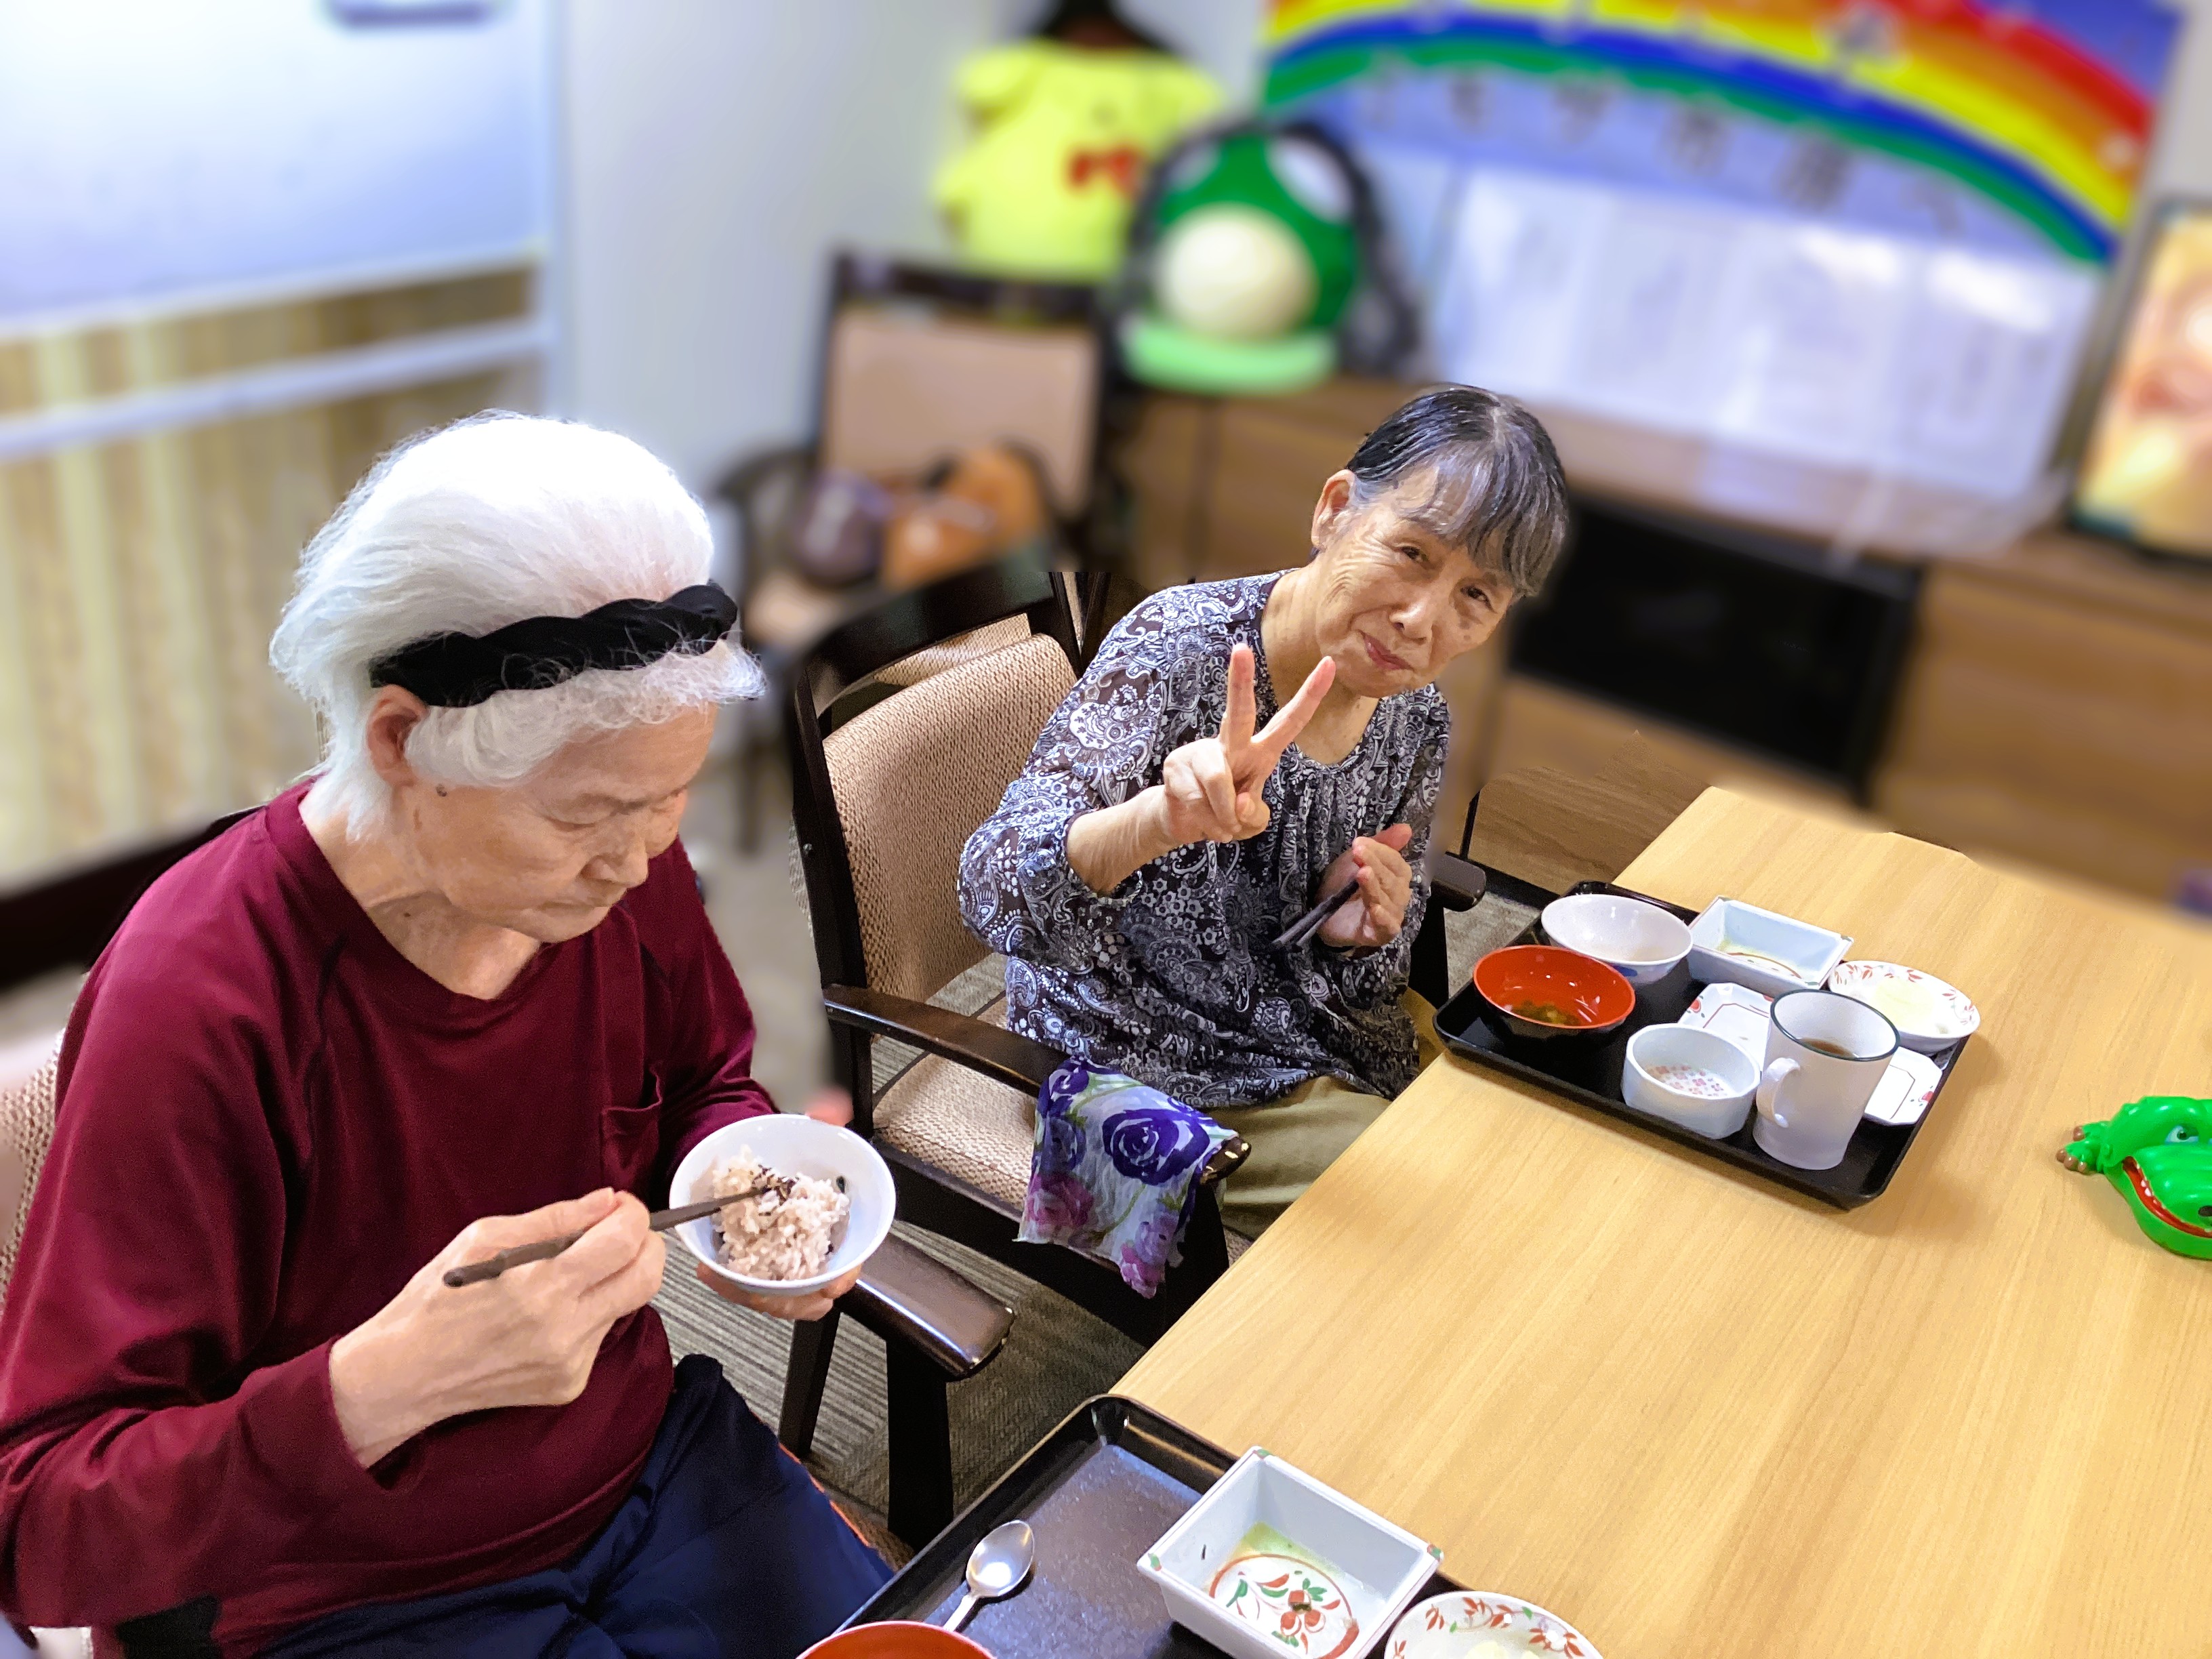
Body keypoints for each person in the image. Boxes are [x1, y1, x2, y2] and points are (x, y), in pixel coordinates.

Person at [0, 415, 889, 1658]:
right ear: (403, 742)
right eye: (587, 813)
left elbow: (699, 1082)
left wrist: (740, 1175)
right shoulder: (201, 997)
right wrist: (379, 1387)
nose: (637, 860)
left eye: (671, 797)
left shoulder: (623, 874)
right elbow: (42, 1515)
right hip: (339, 1582)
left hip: (641, 1465)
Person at [959, 386, 1569, 1237]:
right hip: (1124, 1051)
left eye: (1477, 596)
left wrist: (1353, 928)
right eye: (1412, 552)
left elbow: (1368, 984)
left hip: (1300, 1033)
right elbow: (991, 887)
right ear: (1334, 510)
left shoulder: (1416, 716)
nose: (1420, 619)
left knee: (1534, 1136)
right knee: (1446, 1223)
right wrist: (1154, 824)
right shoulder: (1180, 649)